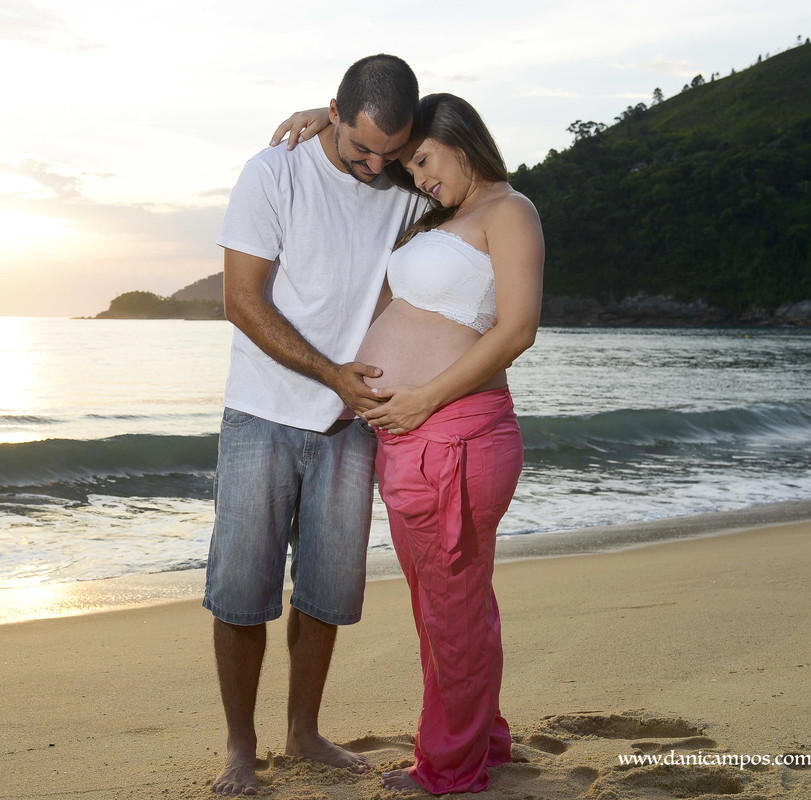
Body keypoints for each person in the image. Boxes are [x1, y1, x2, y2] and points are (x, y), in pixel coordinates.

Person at [272, 93, 544, 794]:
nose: (418, 177)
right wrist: (328, 117)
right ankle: (483, 742)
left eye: (424, 160)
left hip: (452, 432)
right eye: (411, 166)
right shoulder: (451, 216)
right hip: (423, 439)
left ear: (462, 139)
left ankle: (449, 770)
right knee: (452, 604)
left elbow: (516, 330)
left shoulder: (509, 212)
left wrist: (424, 398)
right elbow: (382, 120)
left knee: (449, 609)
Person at [204, 55, 427, 797]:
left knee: (325, 594)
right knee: (241, 592)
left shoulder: (400, 177)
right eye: (362, 146)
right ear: (335, 110)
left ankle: (303, 732)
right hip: (262, 413)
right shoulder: (275, 171)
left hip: (351, 423)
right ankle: (241, 746)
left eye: (389, 152)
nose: (373, 165)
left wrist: (348, 389)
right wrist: (330, 372)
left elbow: (472, 166)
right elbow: (243, 300)